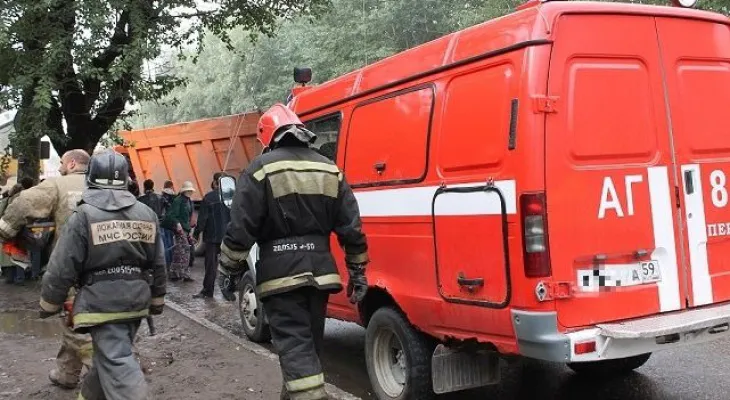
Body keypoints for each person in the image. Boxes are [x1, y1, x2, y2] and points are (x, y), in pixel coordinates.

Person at [218, 104, 369, 400]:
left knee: (297, 353)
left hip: (281, 279)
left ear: (268, 138)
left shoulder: (261, 169)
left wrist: (228, 269)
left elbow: (241, 228)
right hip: (320, 277)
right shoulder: (329, 168)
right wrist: (358, 272)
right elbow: (351, 227)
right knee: (306, 350)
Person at [38, 149, 166, 400]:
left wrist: (49, 303)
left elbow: (62, 266)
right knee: (107, 359)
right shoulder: (146, 214)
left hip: (100, 305)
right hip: (136, 302)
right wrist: (157, 300)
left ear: (91, 178)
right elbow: (159, 263)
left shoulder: (83, 215)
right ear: (126, 179)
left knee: (117, 360)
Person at [0, 149, 93, 389]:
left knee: (75, 322)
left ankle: (111, 375)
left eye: (62, 162)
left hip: (70, 268)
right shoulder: (105, 186)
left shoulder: (58, 185)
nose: (60, 167)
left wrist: (6, 231)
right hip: (109, 267)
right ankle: (66, 373)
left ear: (72, 164)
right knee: (77, 319)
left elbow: (25, 203)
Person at [192, 172, 230, 298]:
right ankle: (228, 291)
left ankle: (208, 291)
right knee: (228, 265)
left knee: (211, 266)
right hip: (227, 237)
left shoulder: (209, 198)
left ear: (214, 182)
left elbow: (202, 219)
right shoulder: (231, 197)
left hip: (212, 237)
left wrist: (196, 234)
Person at [163, 181, 196, 281]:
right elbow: (172, 215)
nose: (190, 192)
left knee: (179, 251)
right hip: (180, 229)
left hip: (185, 229)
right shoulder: (178, 200)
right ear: (184, 191)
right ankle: (184, 274)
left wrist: (190, 230)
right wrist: (178, 224)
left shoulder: (188, 201)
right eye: (188, 190)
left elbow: (189, 216)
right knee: (184, 250)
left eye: (191, 190)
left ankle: (174, 272)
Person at [160, 180, 176, 266]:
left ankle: (167, 262)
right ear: (171, 186)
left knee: (165, 242)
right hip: (172, 221)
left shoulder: (162, 196)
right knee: (171, 241)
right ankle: (172, 260)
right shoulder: (175, 196)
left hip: (164, 221)